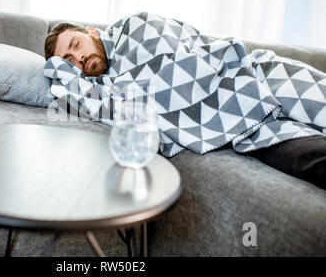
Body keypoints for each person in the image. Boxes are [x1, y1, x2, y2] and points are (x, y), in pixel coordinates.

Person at [44, 17, 326, 189]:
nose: (77, 58)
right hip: (246, 126)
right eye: (68, 60)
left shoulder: (135, 27)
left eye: (77, 45)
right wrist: (62, 68)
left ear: (93, 32)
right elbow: (120, 104)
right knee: (310, 157)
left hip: (253, 74)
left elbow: (183, 63)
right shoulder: (102, 87)